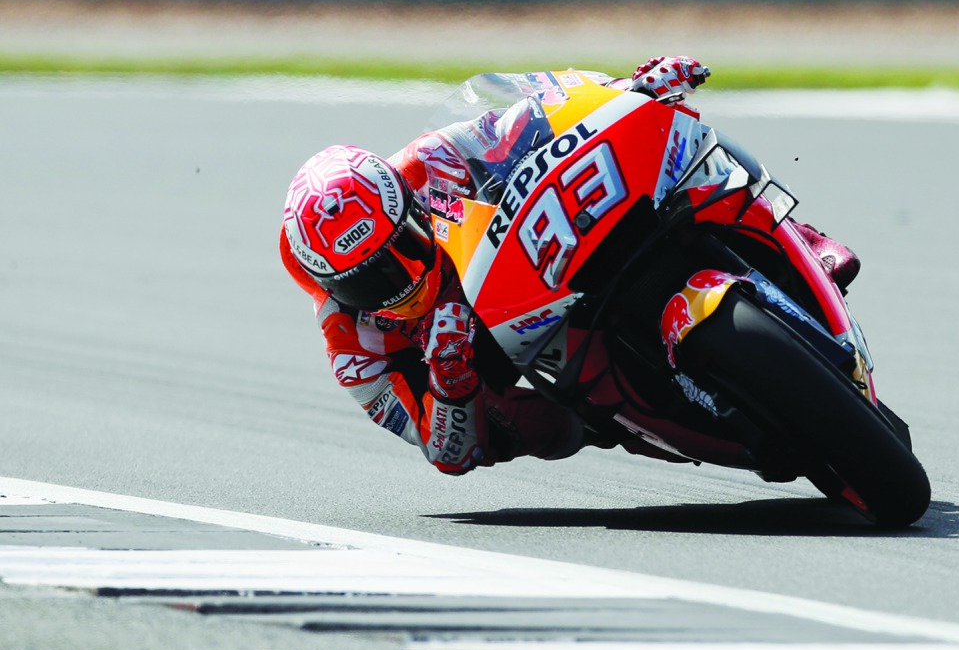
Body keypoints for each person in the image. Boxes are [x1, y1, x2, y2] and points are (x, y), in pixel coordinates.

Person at [280, 56, 860, 476]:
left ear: (406, 203)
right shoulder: (352, 349)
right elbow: (445, 452)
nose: (398, 280)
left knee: (677, 139)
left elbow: (542, 112)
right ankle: (640, 407)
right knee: (549, 434)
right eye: (365, 281)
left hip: (536, 257)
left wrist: (631, 89)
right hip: (503, 354)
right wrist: (452, 386)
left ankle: (801, 236)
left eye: (402, 247)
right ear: (328, 283)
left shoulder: (432, 161)